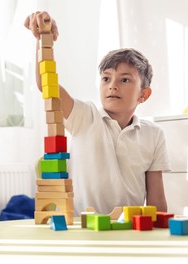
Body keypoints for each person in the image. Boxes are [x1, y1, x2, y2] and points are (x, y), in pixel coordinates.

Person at [24, 11, 170, 215]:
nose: (113, 86)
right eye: (106, 78)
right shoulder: (85, 116)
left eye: (124, 79)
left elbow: (156, 199)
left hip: (127, 230)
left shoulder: (154, 135)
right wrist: (43, 40)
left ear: (143, 94)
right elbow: (46, 85)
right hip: (83, 229)